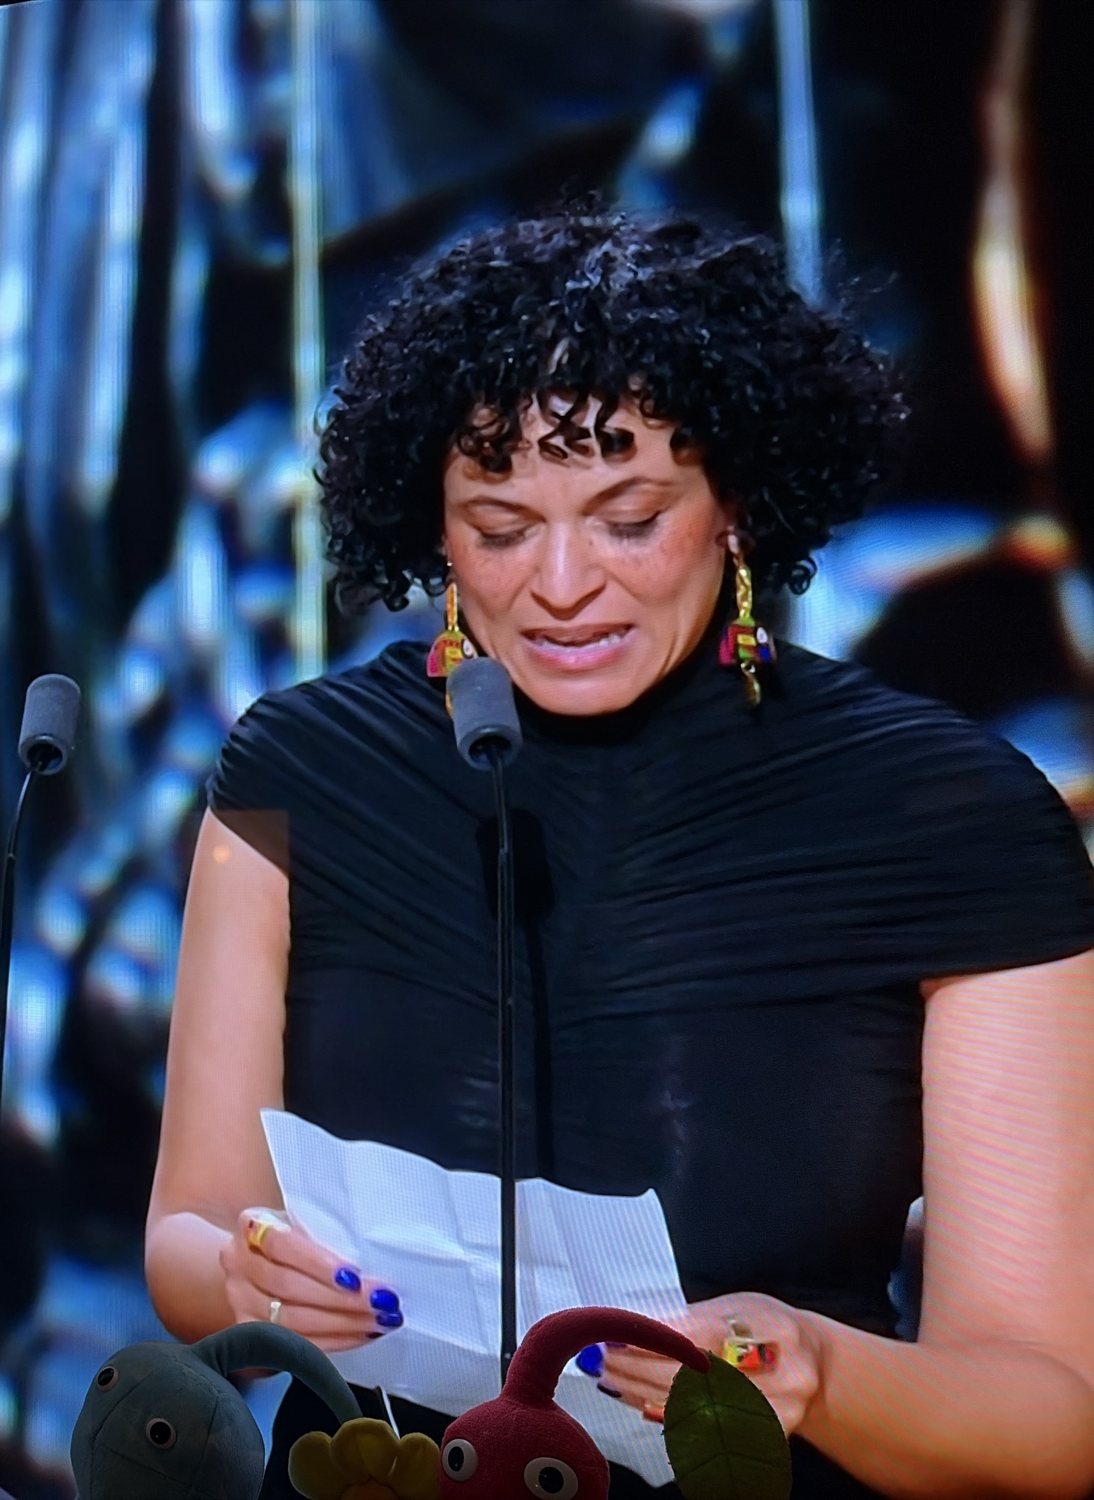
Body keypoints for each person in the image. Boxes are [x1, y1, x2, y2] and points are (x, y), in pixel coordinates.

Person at [146, 213, 1094, 1499]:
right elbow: (189, 1234)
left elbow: (1047, 1418)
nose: (559, 583)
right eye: (498, 527)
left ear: (734, 506)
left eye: (627, 519)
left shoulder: (951, 815)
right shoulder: (297, 774)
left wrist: (817, 1370)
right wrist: (247, 1276)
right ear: (432, 528)